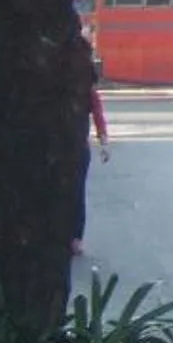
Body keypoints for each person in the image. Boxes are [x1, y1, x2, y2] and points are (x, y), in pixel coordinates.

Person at [73, 33, 110, 258]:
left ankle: (73, 237)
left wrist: (104, 142)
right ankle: (74, 237)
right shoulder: (82, 83)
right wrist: (104, 143)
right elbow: (98, 115)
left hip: (73, 147)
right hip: (75, 147)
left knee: (72, 193)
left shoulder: (84, 85)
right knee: (75, 193)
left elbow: (97, 114)